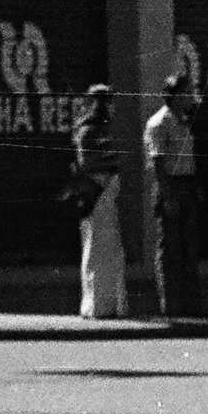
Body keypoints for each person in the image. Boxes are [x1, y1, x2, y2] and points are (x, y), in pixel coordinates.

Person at [144, 74, 203, 320]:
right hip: (170, 185)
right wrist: (167, 196)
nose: (192, 98)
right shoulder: (159, 123)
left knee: (190, 247)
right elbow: (157, 163)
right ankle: (171, 306)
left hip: (187, 184)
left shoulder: (185, 121)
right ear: (176, 95)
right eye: (187, 93)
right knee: (170, 248)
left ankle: (192, 305)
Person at [69, 83, 125, 321]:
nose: (110, 106)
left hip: (106, 194)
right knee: (96, 251)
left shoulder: (104, 129)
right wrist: (111, 166)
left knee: (109, 251)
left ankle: (110, 305)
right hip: (96, 193)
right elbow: (86, 163)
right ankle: (95, 306)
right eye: (106, 101)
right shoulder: (88, 130)